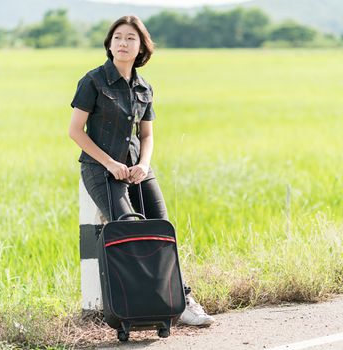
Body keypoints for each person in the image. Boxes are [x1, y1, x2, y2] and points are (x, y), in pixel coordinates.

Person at [68, 15, 214, 327]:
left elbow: (146, 135)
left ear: (141, 48)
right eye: (118, 37)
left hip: (137, 168)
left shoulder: (144, 88)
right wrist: (110, 163)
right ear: (109, 44)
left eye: (130, 38)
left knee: (162, 229)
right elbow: (76, 131)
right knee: (128, 231)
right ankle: (135, 306)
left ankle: (181, 300)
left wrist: (143, 165)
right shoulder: (93, 81)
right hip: (101, 169)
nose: (123, 43)